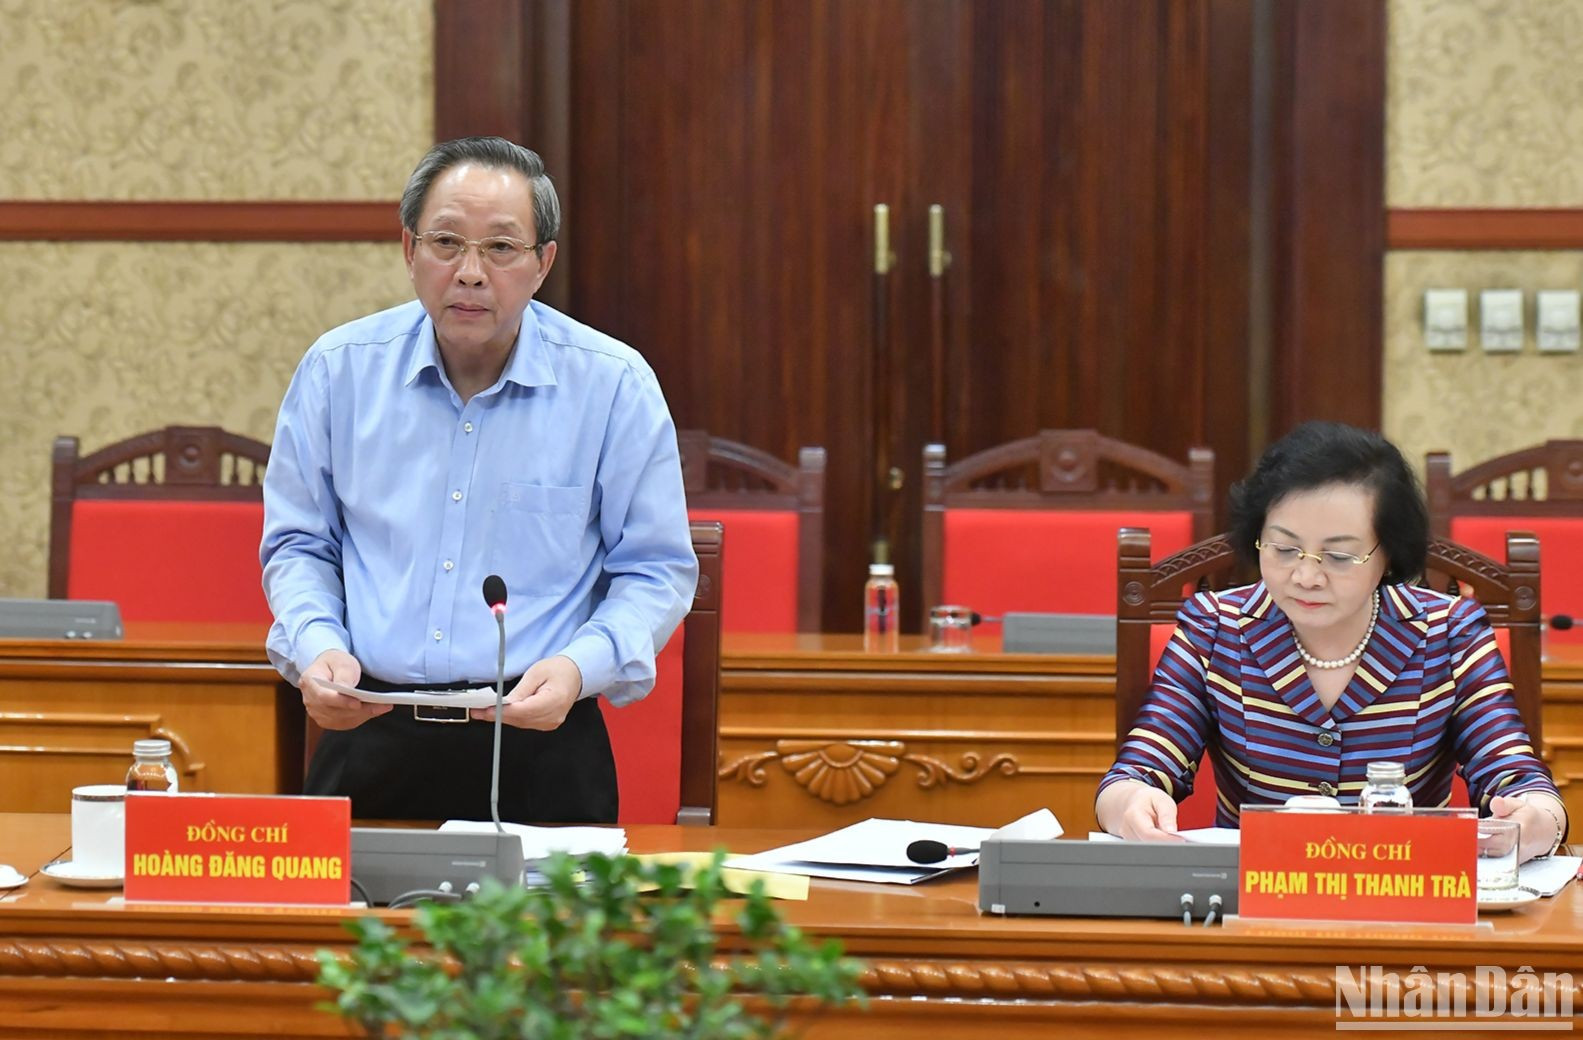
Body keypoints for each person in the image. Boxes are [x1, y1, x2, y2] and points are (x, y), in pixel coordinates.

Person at [260, 137, 698, 824]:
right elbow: (299, 545)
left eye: (500, 248)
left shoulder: (611, 385)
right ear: (409, 251)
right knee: (348, 934)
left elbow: (654, 569)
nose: (469, 273)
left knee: (549, 936)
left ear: (542, 262)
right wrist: (318, 645)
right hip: (371, 729)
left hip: (540, 740)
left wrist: (581, 666)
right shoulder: (338, 371)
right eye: (445, 243)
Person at [1096, 421, 1566, 863]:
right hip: (1255, 908)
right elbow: (1137, 771)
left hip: (1407, 904)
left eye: (1338, 556)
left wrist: (1535, 820)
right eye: (1282, 549)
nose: (1305, 576)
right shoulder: (1215, 627)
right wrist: (1133, 804)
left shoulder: (1449, 633)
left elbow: (1516, 776)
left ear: (1389, 553)